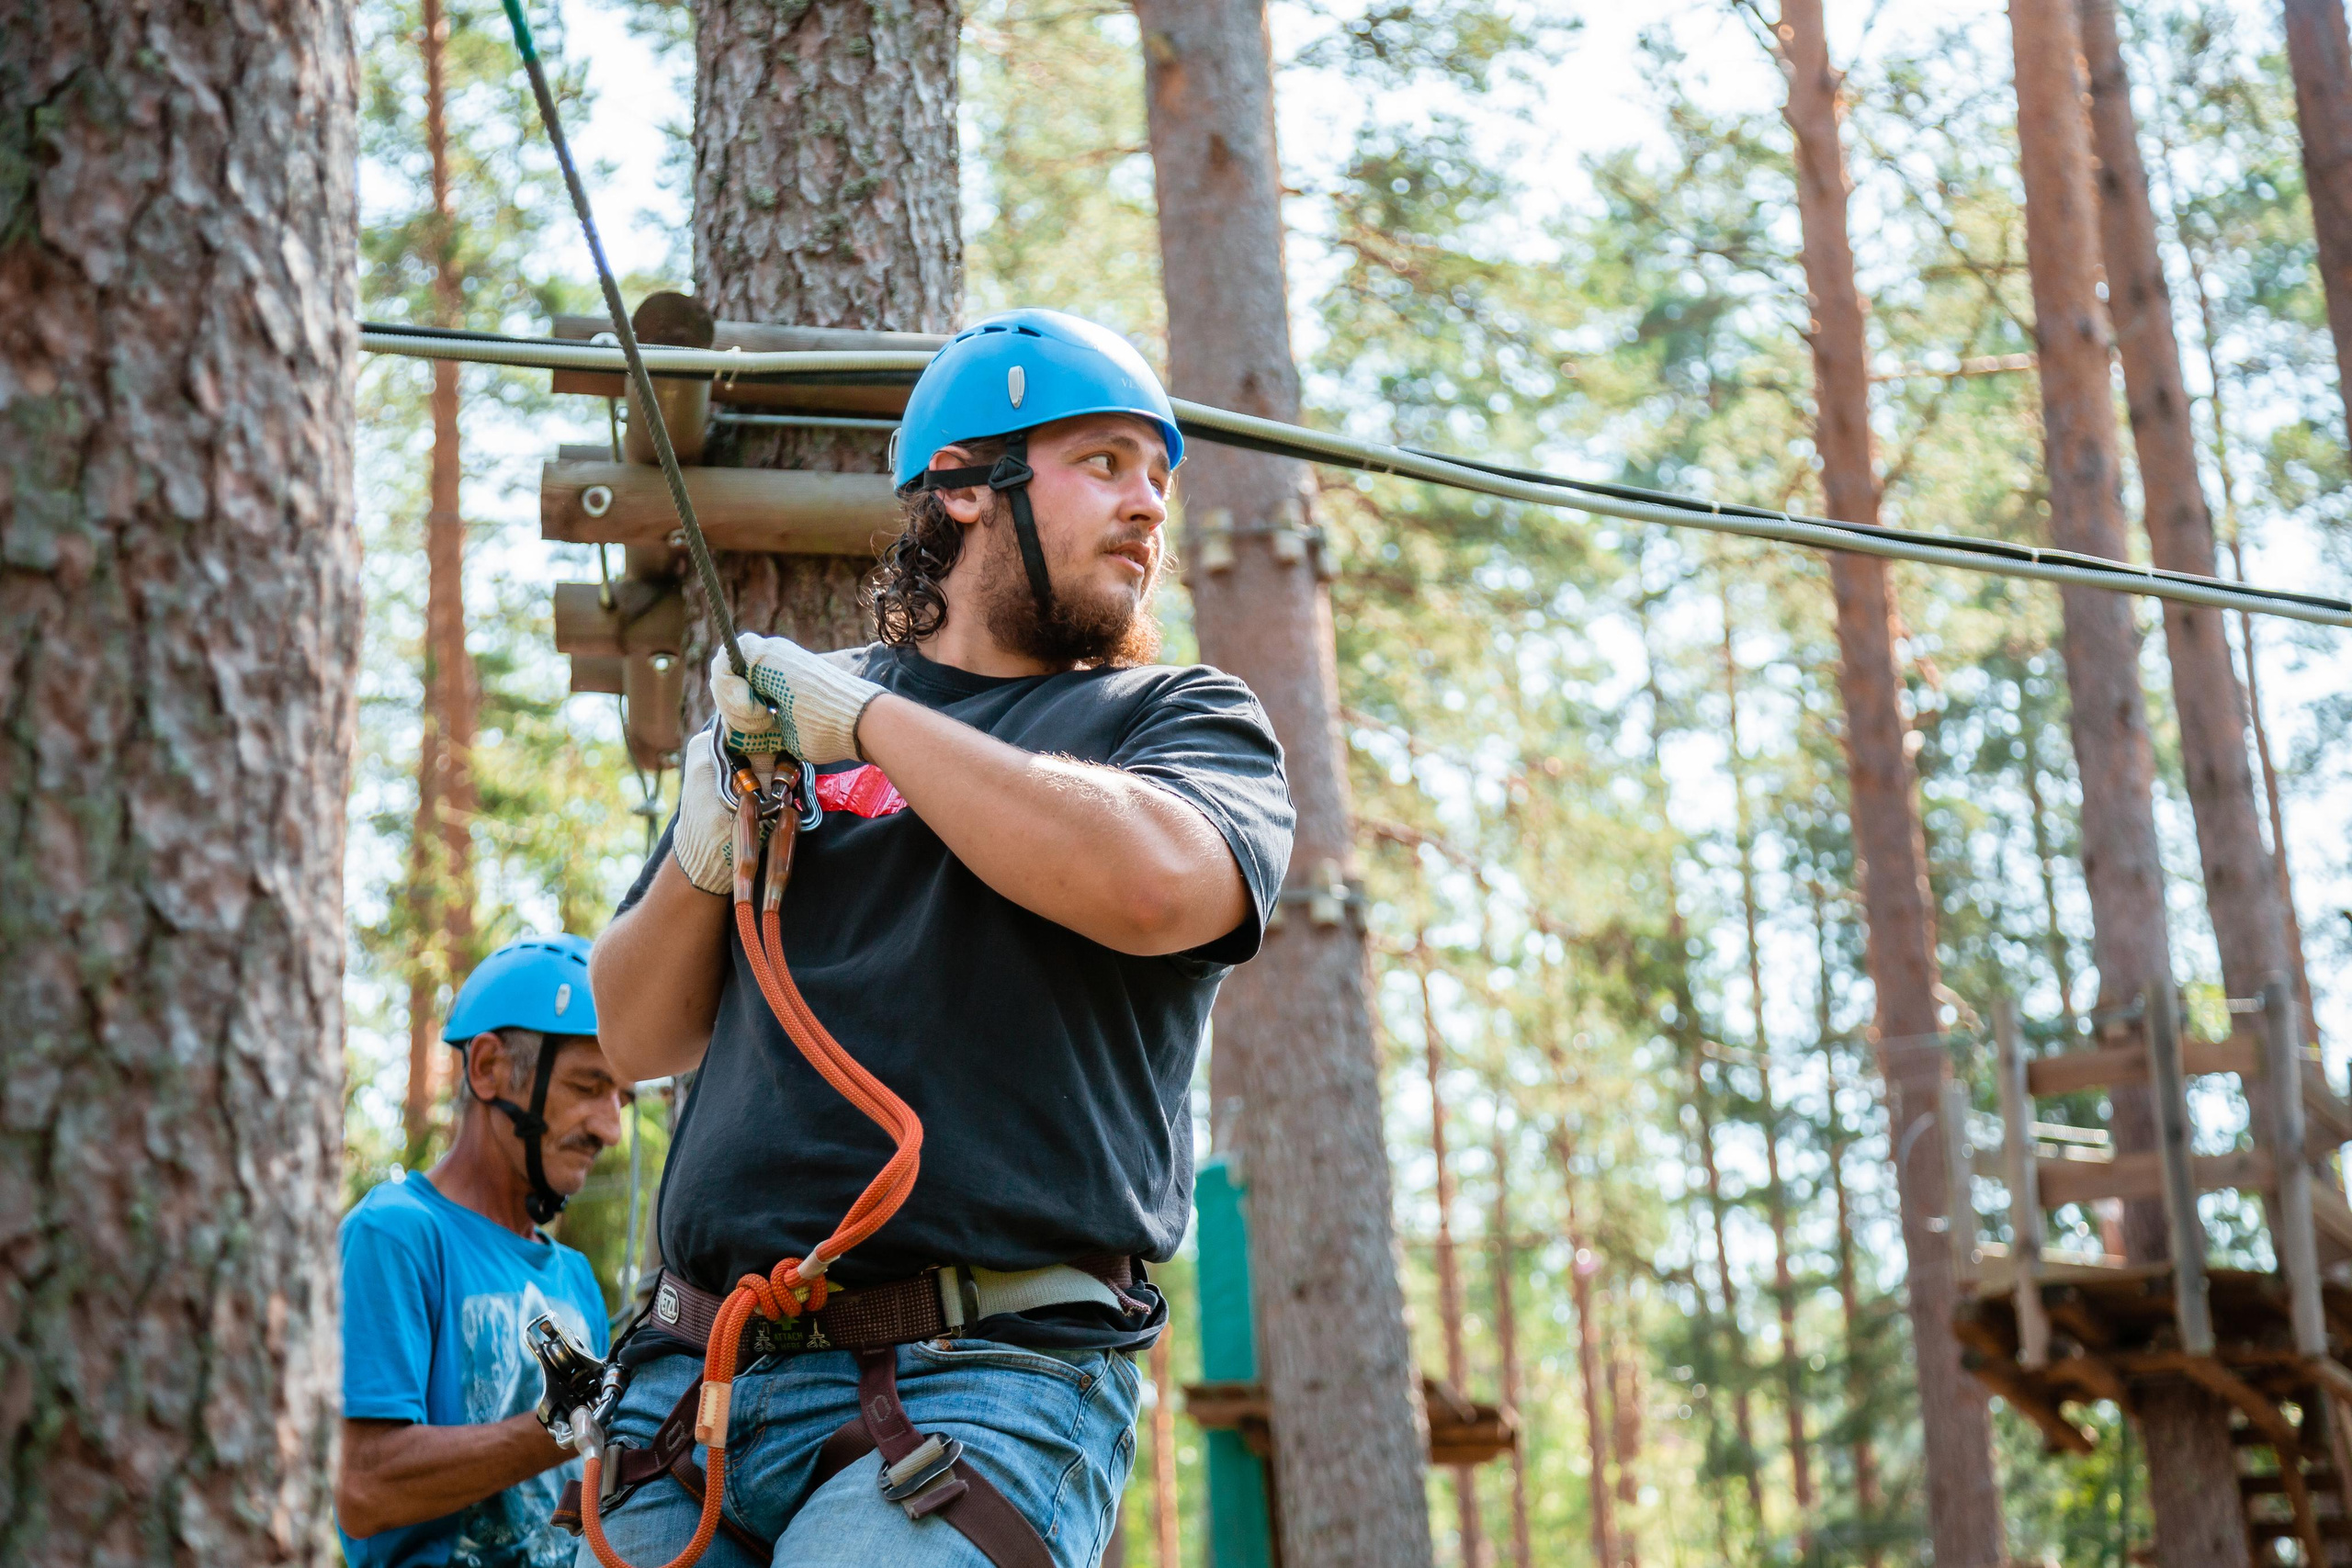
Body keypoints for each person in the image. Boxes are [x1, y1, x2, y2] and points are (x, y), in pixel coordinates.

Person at [582, 309, 1295, 1568]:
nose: (1150, 507)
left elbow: (1155, 884)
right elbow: (636, 1032)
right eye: (1107, 463)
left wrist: (871, 723)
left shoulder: (1170, 718)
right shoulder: (790, 729)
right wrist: (706, 841)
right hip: (693, 1382)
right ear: (966, 487)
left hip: (983, 1382)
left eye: (1159, 477)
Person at [338, 935, 633, 1568]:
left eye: (623, 1099)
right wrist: (564, 1424)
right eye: (589, 1085)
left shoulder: (573, 1276)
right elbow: (363, 1485)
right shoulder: (395, 1235)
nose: (610, 1127)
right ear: (488, 1068)